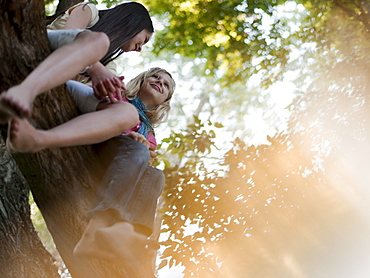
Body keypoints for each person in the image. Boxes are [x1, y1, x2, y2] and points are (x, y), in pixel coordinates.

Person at [8, 68, 175, 276]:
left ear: (165, 100)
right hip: (97, 148)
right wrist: (130, 138)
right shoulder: (120, 95)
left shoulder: (150, 133)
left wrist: (142, 150)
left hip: (119, 169)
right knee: (138, 149)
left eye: (166, 85)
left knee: (155, 175)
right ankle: (97, 228)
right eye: (155, 77)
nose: (160, 82)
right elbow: (89, 102)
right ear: (142, 80)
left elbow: (144, 167)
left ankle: (129, 234)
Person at [0, 2, 154, 123]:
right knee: (92, 41)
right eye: (144, 40)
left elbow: (90, 90)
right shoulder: (89, 11)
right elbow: (68, 38)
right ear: (134, 23)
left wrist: (106, 91)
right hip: (37, 51)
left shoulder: (109, 63)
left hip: (54, 81)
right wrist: (96, 69)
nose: (140, 49)